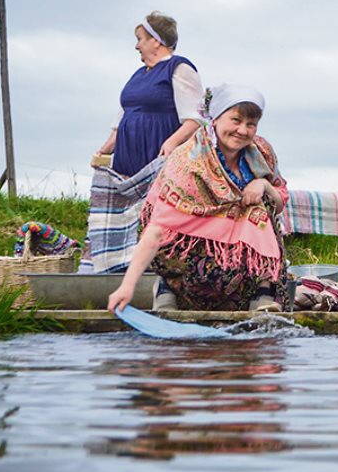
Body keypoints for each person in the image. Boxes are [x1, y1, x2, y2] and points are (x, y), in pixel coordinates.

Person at [108, 84, 289, 314]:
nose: (243, 130)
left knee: (260, 211)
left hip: (232, 242)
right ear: (215, 119)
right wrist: (127, 287)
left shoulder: (261, 153)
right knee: (174, 246)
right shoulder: (187, 161)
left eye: (250, 124)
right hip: (185, 242)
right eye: (235, 120)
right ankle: (168, 287)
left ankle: (261, 294)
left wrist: (263, 184)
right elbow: (157, 229)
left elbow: (280, 202)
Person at [95, 11, 204, 177]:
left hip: (159, 157)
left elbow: (195, 120)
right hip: (126, 160)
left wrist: (171, 143)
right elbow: (122, 120)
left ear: (155, 41)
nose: (136, 46)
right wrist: (105, 150)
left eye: (140, 39)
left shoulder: (179, 68)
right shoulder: (137, 76)